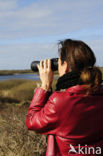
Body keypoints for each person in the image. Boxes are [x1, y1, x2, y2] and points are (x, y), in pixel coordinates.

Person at [26, 39, 103, 156]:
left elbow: (32, 122)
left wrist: (45, 86)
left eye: (59, 62)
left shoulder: (60, 101)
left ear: (65, 66)